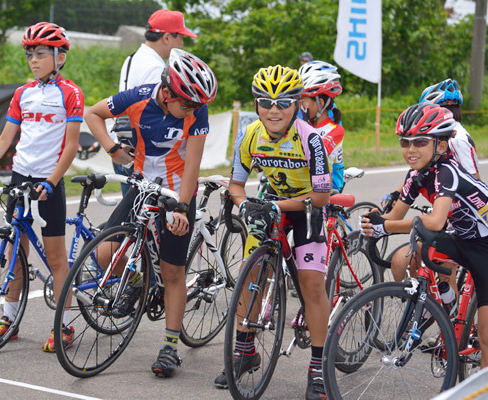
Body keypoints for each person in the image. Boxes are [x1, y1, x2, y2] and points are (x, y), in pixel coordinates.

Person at [84, 48, 217, 378]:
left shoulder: (196, 112)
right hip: (141, 186)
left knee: (173, 272)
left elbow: (193, 168)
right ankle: (142, 280)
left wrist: (183, 208)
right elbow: (92, 114)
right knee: (104, 253)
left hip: (176, 191)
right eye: (187, 103)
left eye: (197, 105)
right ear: (168, 91)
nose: (192, 110)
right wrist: (113, 149)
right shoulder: (138, 97)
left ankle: (170, 347)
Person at [0, 22, 84, 352]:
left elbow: (71, 146)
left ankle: (65, 324)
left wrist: (51, 181)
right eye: (30, 54)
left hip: (48, 183)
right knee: (16, 253)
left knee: (57, 260)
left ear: (60, 57)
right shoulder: (23, 93)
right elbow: (5, 138)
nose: (33, 60)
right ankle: (9, 320)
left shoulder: (70, 93)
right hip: (20, 178)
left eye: (41, 53)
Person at [361, 103, 488, 369]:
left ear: (440, 145)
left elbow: (435, 219)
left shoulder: (447, 171)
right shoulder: (416, 175)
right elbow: (395, 217)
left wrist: (387, 227)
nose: (410, 150)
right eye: (405, 143)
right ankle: (446, 304)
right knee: (413, 252)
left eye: (420, 142)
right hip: (460, 235)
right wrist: (374, 222)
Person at [213, 65, 332, 400]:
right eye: (266, 102)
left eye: (283, 102)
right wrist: (243, 204)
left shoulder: (311, 138)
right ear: (256, 103)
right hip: (269, 207)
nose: (274, 109)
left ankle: (318, 367)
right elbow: (236, 185)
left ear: (297, 104)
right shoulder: (249, 134)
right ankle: (245, 351)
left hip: (306, 210)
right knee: (250, 278)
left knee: (311, 285)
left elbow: (322, 197)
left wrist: (278, 206)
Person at [112, 9, 197, 196]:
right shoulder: (157, 68)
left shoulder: (133, 57)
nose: (182, 43)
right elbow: (157, 113)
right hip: (144, 153)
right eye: (180, 37)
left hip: (123, 142)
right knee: (152, 219)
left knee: (131, 218)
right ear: (166, 38)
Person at [382, 78, 480, 209]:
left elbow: (474, 181)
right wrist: (396, 194)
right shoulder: (445, 134)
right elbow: (416, 172)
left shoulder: (457, 139)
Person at [298, 60, 345, 191]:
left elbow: (314, 155)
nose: (299, 106)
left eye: (303, 101)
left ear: (321, 103)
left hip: (329, 191)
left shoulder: (336, 130)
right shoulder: (303, 124)